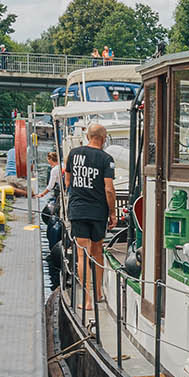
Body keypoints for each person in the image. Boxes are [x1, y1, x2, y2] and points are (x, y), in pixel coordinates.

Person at [64, 122, 116, 317]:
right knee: (97, 252)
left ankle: (86, 301)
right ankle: (98, 293)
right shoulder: (106, 158)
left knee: (81, 255)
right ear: (103, 139)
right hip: (98, 212)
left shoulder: (73, 154)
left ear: (88, 137)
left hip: (78, 210)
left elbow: (67, 181)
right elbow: (109, 189)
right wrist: (112, 213)